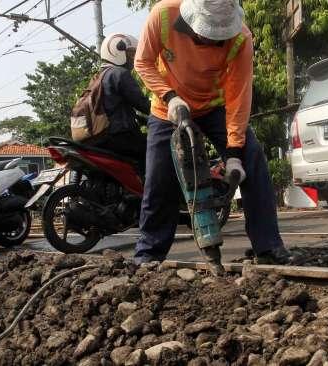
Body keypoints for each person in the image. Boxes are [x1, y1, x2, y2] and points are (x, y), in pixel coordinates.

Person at [133, 0, 291, 265]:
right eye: (205, 33)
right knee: (159, 180)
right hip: (166, 108)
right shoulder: (162, 16)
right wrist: (170, 97)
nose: (210, 40)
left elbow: (238, 96)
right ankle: (148, 254)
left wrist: (234, 153)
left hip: (213, 106)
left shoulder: (241, 38)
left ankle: (268, 247)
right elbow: (143, 62)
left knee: (253, 162)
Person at [86, 33, 151, 173]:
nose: (133, 58)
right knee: (155, 148)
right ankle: (152, 192)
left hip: (98, 138)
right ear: (117, 51)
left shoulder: (98, 76)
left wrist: (140, 119)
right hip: (119, 136)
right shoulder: (119, 73)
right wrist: (164, 113)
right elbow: (143, 104)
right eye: (130, 54)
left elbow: (116, 107)